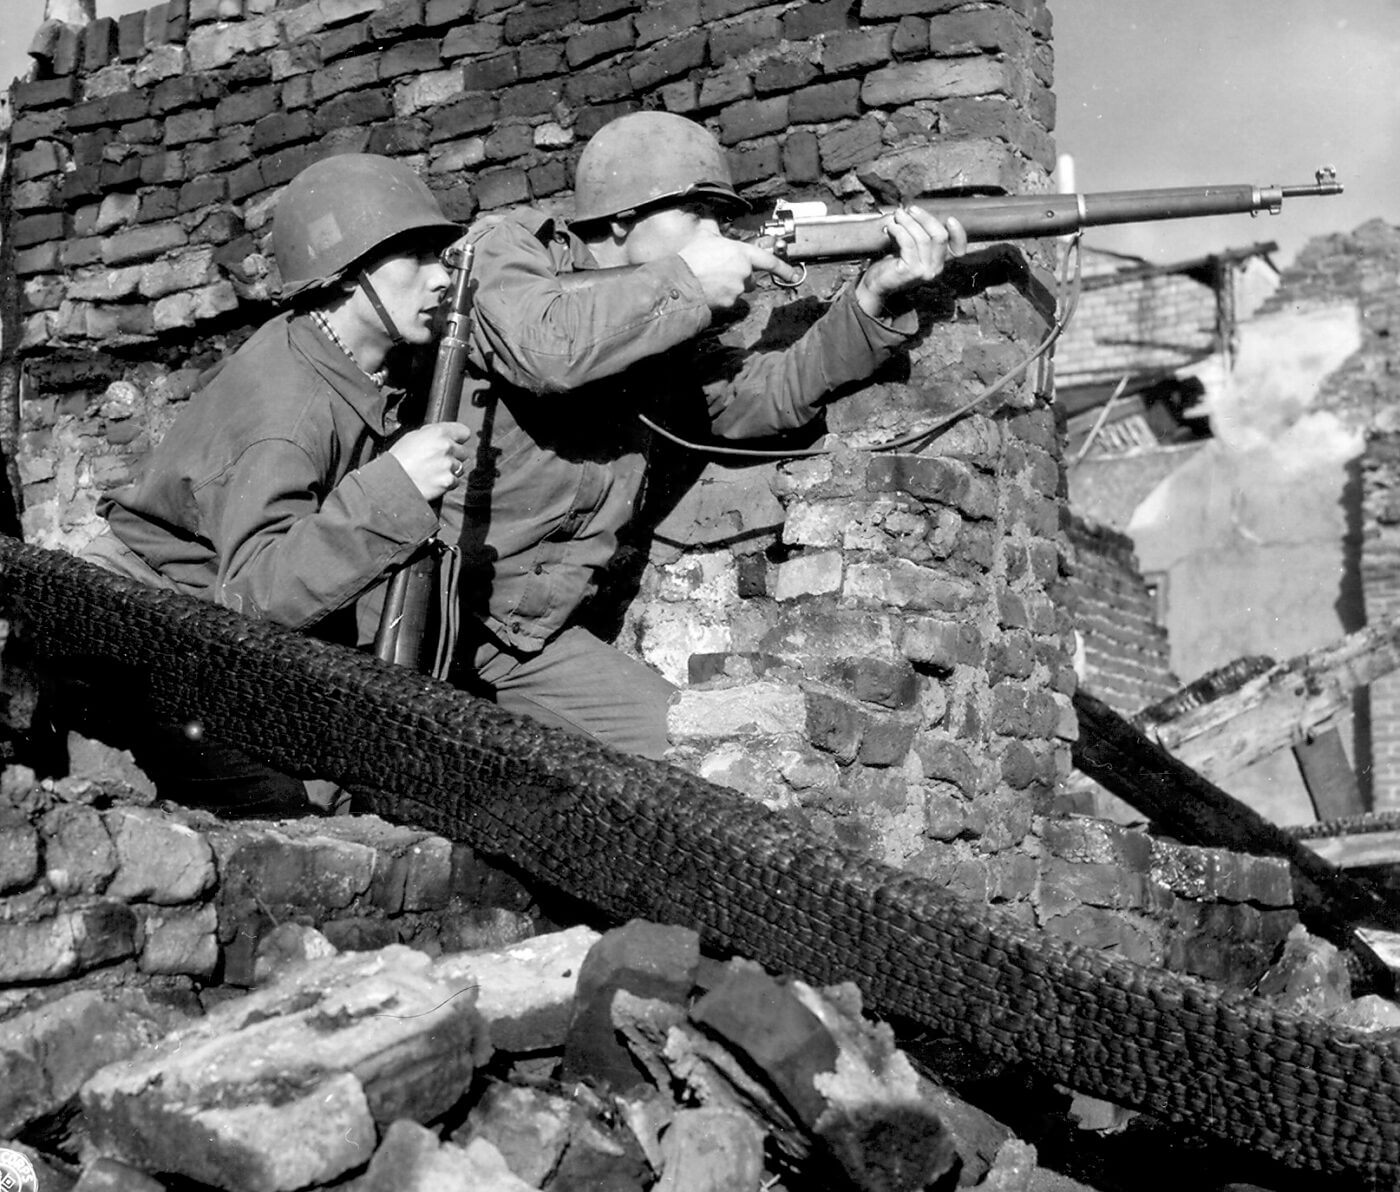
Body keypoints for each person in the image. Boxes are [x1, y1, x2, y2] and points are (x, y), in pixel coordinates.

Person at [442, 111, 967, 760]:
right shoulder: (507, 249)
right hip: (435, 604)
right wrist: (688, 281)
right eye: (699, 213)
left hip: (526, 635)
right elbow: (545, 348)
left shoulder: (663, 316)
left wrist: (872, 299)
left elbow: (751, 404)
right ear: (621, 219)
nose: (720, 234)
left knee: (701, 759)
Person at [79, 152, 474, 814]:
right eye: (415, 258)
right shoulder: (288, 414)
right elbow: (254, 596)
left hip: (211, 631)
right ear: (348, 278)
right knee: (289, 810)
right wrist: (396, 488)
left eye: (441, 255)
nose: (441, 278)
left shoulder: (354, 354)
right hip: (144, 640)